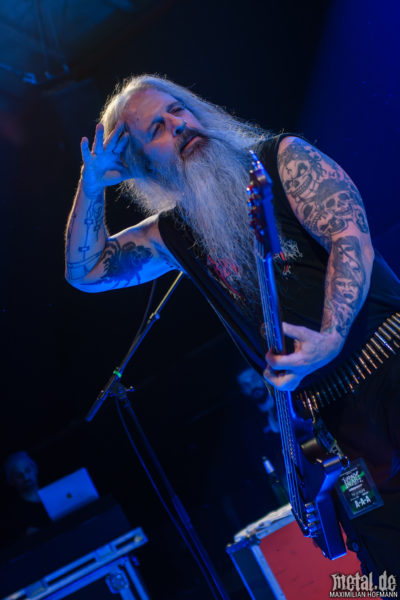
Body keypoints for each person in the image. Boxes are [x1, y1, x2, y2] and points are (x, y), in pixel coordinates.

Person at [65, 75, 400, 583]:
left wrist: (332, 334)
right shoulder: (171, 235)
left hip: (388, 364)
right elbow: (86, 271)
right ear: (140, 164)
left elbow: (349, 237)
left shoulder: (283, 159)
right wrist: (91, 187)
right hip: (339, 426)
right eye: (156, 128)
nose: (178, 124)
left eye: (178, 109)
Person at [2, 451, 50, 542]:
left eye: (28, 470)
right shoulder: (13, 513)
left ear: (35, 469)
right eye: (19, 476)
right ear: (11, 481)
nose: (26, 477)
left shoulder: (54, 492)